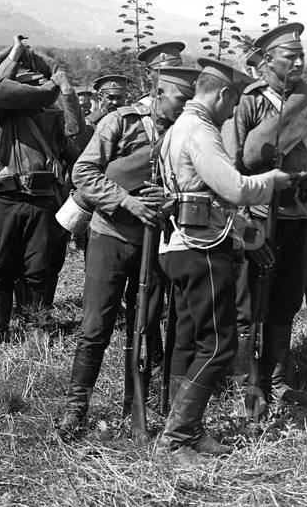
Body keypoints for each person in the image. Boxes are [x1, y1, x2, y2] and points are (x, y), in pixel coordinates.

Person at [156, 58, 296, 464]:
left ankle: (186, 429)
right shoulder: (201, 130)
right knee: (219, 343)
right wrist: (273, 182)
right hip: (202, 247)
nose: (234, 112)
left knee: (192, 338)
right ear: (222, 94)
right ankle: (177, 438)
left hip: (181, 245)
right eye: (232, 103)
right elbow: (233, 187)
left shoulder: (177, 128)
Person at [55, 66, 199, 440]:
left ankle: (135, 405)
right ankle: (76, 408)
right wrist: (126, 201)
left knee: (147, 324)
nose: (186, 110)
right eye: (180, 101)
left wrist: (173, 199)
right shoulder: (121, 122)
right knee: (95, 327)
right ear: (159, 93)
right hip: (111, 235)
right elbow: (83, 172)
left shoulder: (187, 132)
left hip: (158, 241)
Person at [230, 22, 307, 410]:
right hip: (258, 215)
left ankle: (278, 379)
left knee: (286, 300)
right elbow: (233, 166)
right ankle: (246, 385)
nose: (300, 62)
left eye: (302, 55)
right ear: (268, 61)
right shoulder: (250, 102)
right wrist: (241, 225)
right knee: (250, 302)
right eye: (291, 56)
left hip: (300, 213)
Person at [0, 40, 79, 349]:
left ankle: (37, 326)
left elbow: (75, 132)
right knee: (2, 265)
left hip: (43, 201)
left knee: (39, 268)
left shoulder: (53, 118)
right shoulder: (2, 114)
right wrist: (16, 52)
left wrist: (64, 84)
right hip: (6, 199)